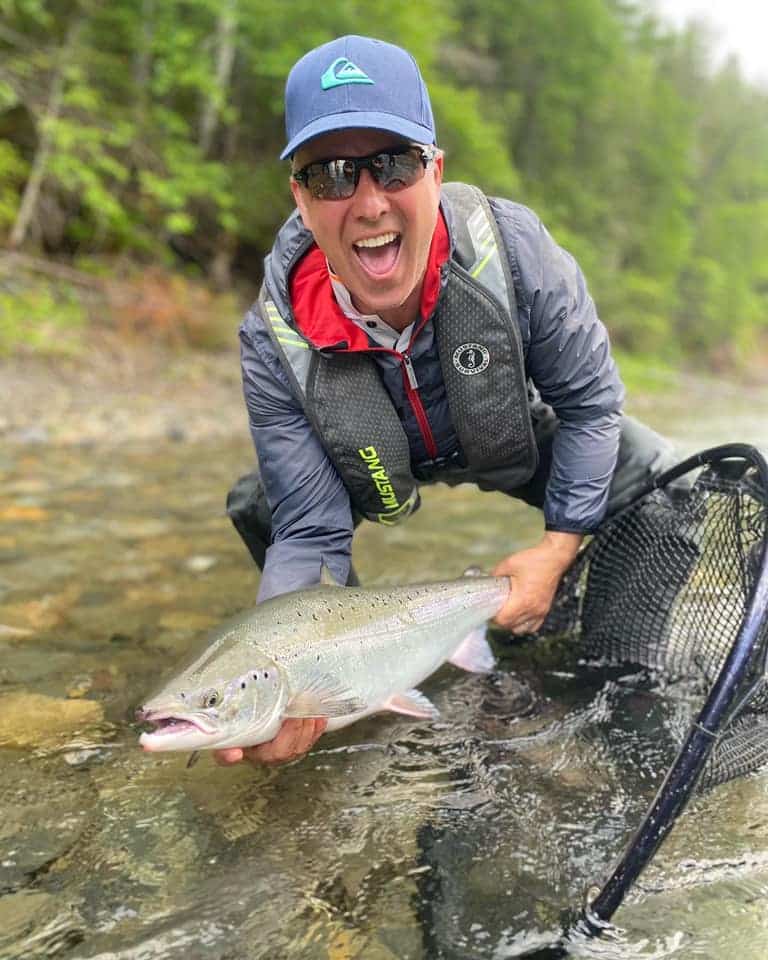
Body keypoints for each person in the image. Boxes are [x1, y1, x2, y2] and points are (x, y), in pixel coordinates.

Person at [217, 35, 676, 768]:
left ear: (434, 171)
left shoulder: (518, 254)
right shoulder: (272, 336)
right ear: (300, 198)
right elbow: (307, 532)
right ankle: (355, 686)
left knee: (663, 480)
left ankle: (621, 690)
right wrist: (290, 670)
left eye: (392, 164)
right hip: (364, 455)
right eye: (332, 175)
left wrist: (558, 548)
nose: (368, 203)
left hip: (503, 432)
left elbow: (592, 408)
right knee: (261, 507)